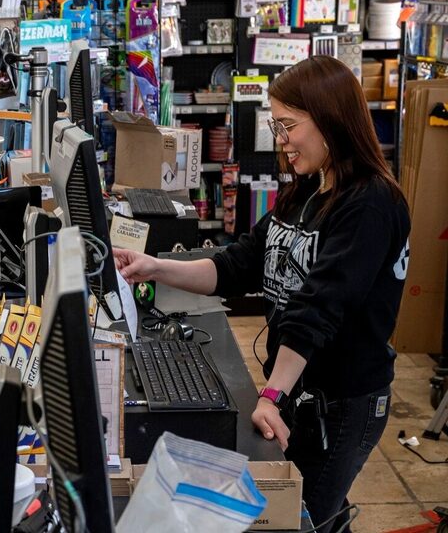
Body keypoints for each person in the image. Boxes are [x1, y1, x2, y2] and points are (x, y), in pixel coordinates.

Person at [114, 55, 410, 533]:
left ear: (332, 118)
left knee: (301, 516)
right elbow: (237, 264)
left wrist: (271, 394)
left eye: (289, 125)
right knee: (319, 511)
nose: (281, 140)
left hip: (342, 404)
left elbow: (319, 308)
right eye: (277, 125)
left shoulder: (371, 204)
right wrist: (155, 267)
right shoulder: (307, 192)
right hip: (302, 394)